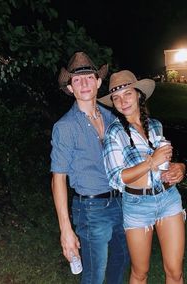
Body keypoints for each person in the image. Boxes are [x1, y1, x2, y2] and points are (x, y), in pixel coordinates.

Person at [99, 70, 186, 284]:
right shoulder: (114, 133)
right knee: (140, 272)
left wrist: (179, 168)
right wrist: (151, 162)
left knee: (175, 271)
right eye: (116, 98)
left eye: (127, 94)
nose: (122, 101)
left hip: (168, 199)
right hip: (137, 206)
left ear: (138, 94)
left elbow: (163, 163)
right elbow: (117, 178)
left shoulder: (155, 125)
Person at [50, 52, 129, 284]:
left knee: (121, 262)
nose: (84, 83)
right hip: (91, 209)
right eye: (77, 79)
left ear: (98, 82)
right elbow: (58, 179)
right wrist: (66, 230)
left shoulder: (112, 118)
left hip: (121, 203)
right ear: (70, 88)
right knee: (94, 275)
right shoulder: (65, 127)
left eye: (88, 77)